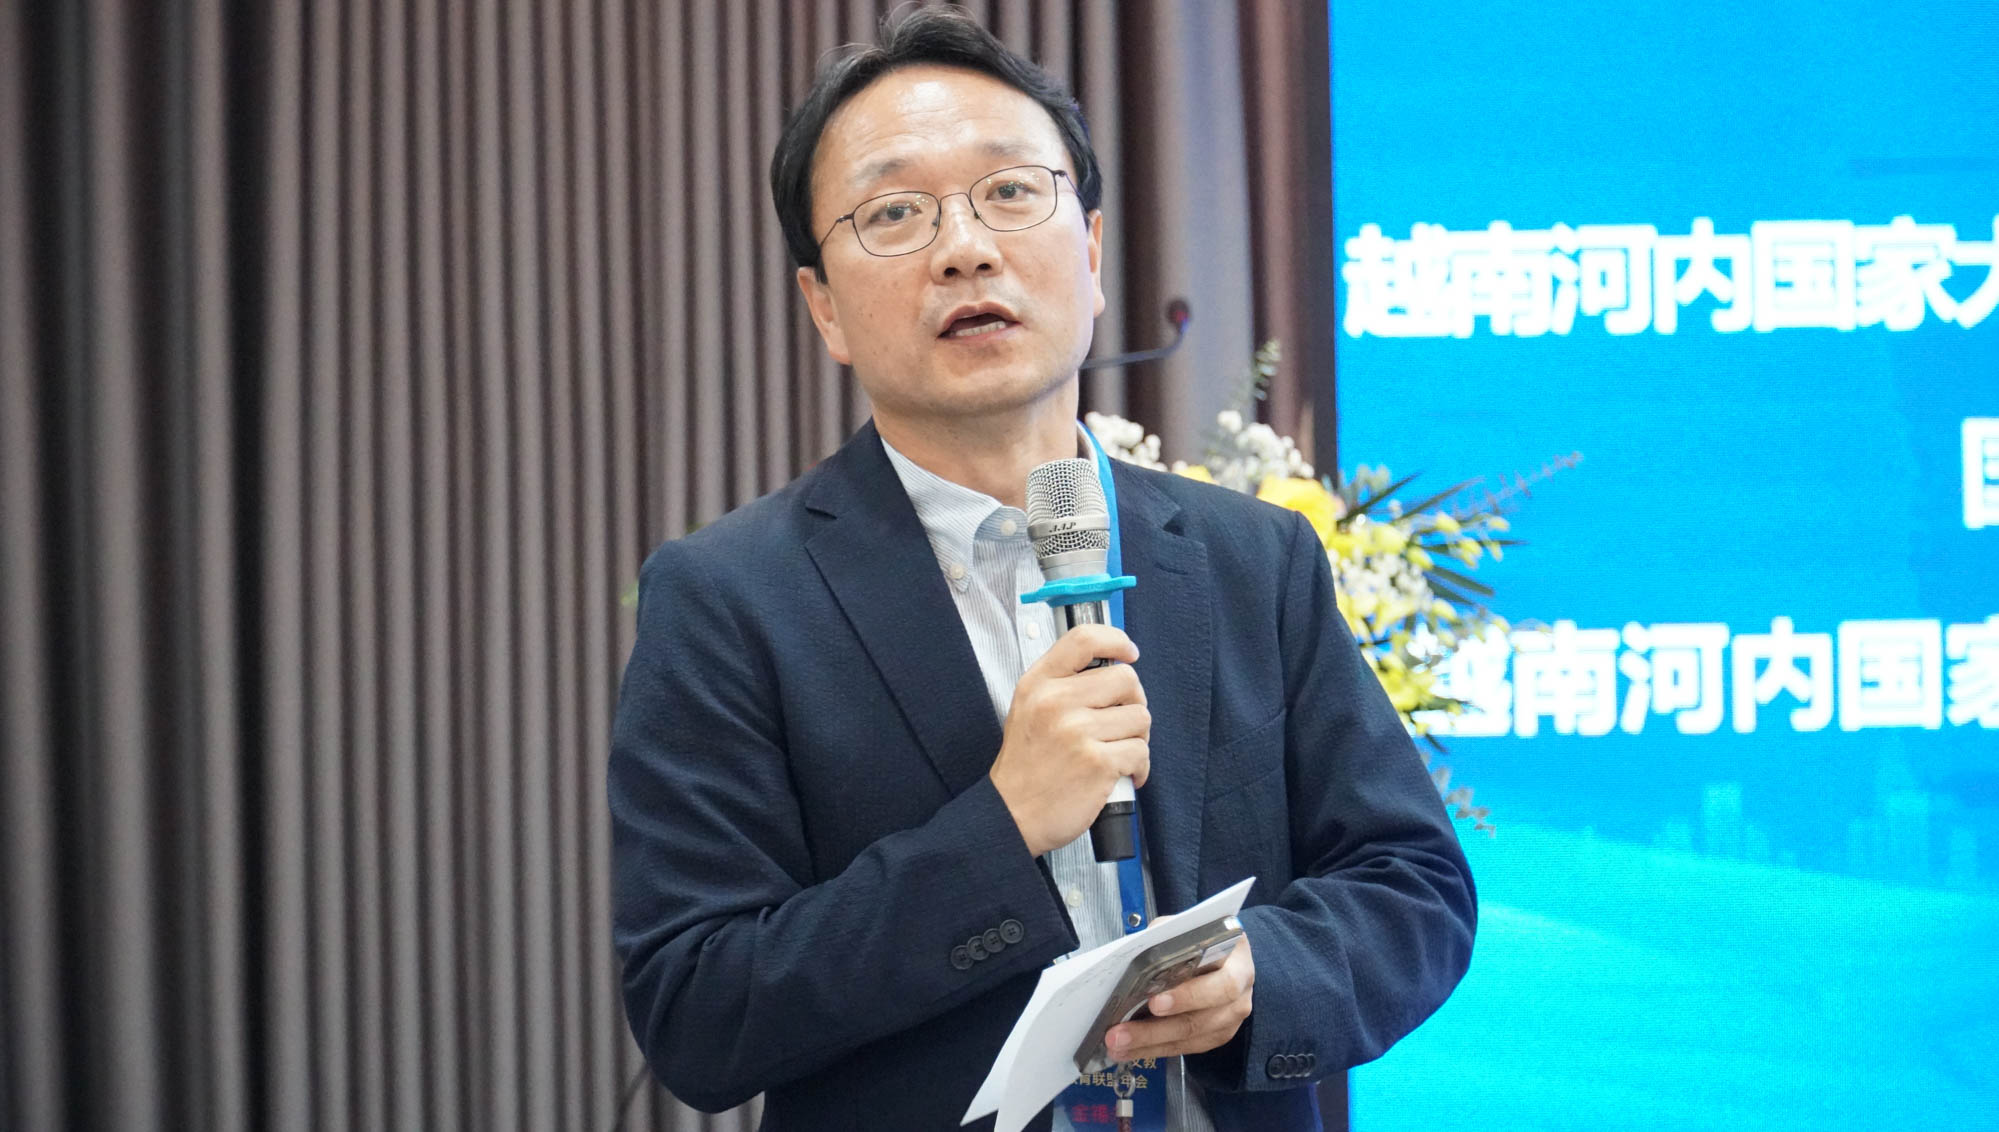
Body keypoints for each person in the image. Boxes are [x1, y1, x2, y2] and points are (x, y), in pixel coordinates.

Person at [609, 9, 1474, 1131]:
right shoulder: (730, 599)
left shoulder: (1252, 559)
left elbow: (1414, 887)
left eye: (1011, 191)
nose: (965, 248)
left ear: (1093, 252)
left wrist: (1260, 974)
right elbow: (698, 1008)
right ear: (823, 305)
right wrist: (1001, 825)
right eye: (894, 213)